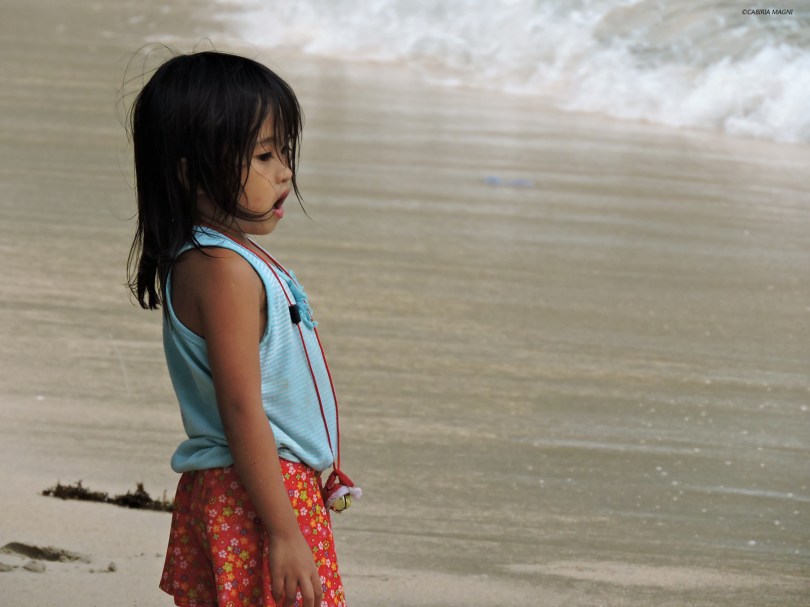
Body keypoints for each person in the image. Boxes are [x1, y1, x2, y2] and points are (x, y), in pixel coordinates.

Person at [126, 50, 358, 607]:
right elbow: (241, 410)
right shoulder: (222, 269)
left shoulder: (225, 258)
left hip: (249, 486)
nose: (285, 171)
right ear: (189, 170)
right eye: (263, 154)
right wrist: (283, 530)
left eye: (286, 152)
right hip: (254, 491)